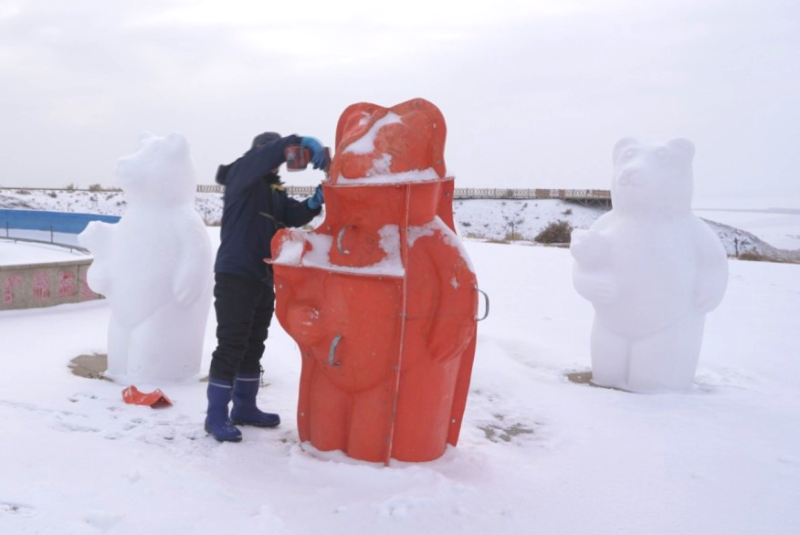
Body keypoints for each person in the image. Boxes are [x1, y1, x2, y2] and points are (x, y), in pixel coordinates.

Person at [205, 132, 329, 442]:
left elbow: (292, 215)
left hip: (262, 274)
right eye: (279, 154)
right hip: (235, 273)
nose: (279, 162)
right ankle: (215, 415)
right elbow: (261, 158)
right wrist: (298, 140)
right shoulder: (242, 174)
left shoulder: (271, 191)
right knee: (232, 343)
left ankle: (245, 407)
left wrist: (314, 202)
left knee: (254, 342)